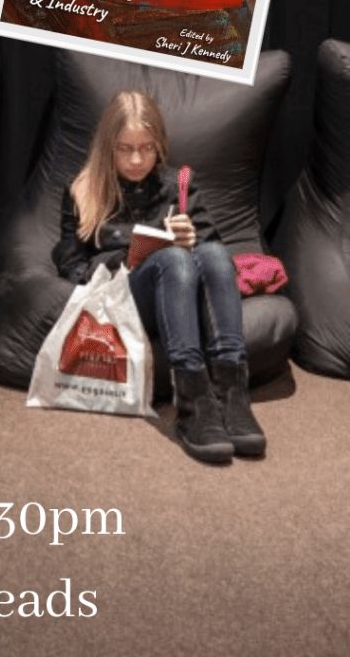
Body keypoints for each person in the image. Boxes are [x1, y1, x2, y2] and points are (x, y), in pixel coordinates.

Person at [53, 90, 265, 463]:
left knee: (214, 254)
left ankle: (233, 397)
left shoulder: (178, 184)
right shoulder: (84, 189)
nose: (137, 160)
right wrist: (134, 250)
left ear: (159, 145)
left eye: (146, 148)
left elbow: (213, 263)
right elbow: (71, 263)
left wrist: (192, 239)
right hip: (126, 298)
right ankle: (193, 406)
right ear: (108, 148)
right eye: (125, 149)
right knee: (173, 260)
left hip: (180, 294)